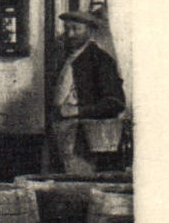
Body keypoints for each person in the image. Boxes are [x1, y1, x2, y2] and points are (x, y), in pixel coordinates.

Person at [52, 9, 127, 174]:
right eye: (67, 29)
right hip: (63, 134)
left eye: (76, 29)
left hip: (85, 141)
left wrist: (78, 110)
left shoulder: (100, 60)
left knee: (80, 185)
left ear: (90, 31)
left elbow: (115, 103)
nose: (70, 34)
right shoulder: (66, 58)